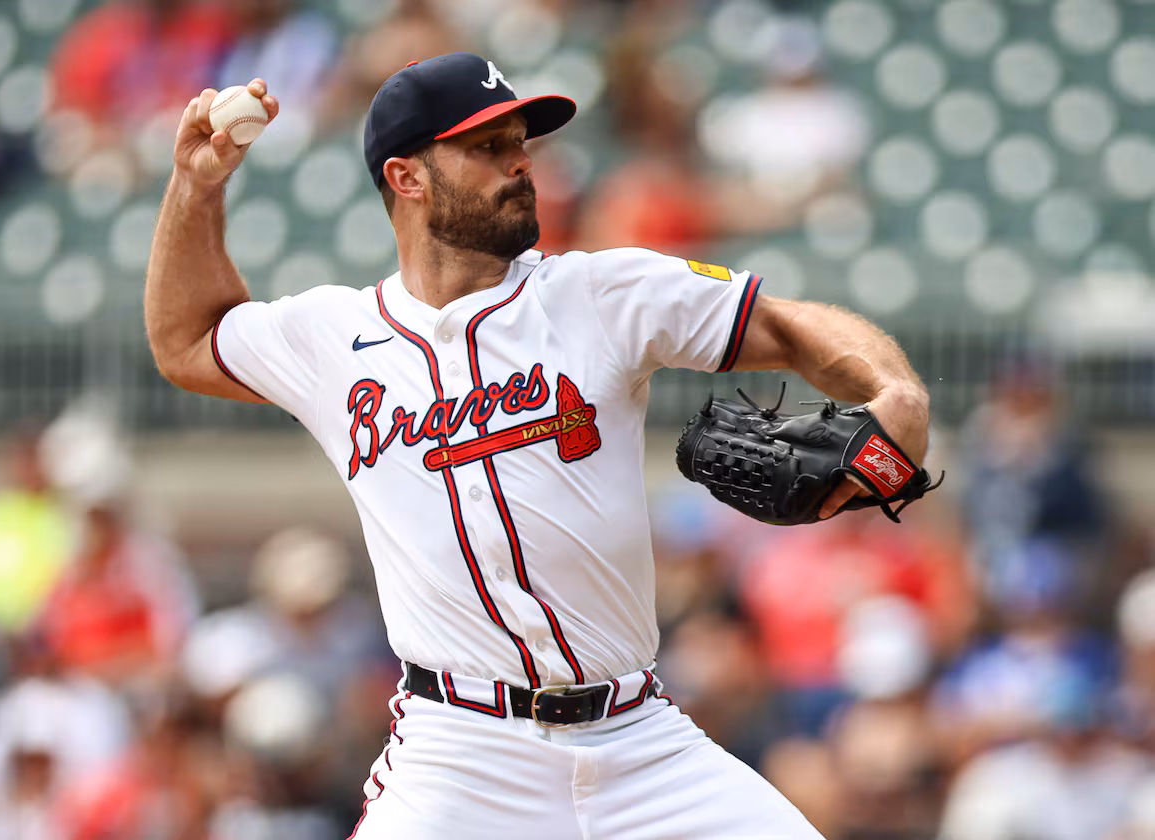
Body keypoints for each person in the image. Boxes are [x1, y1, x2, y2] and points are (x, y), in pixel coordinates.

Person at [144, 52, 931, 838]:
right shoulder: (331, 337)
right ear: (406, 176)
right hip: (460, 755)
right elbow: (186, 340)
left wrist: (896, 393)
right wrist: (198, 185)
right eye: (486, 148)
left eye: (520, 142)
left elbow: (790, 327)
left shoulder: (597, 294)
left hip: (640, 743)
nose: (520, 164)